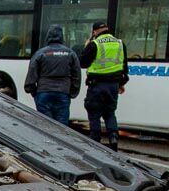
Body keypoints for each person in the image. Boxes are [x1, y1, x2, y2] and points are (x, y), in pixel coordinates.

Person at [79, 21, 128, 150]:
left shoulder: (94, 44)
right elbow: (124, 66)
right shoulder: (120, 43)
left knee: (94, 112)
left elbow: (83, 63)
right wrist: (121, 84)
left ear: (94, 32)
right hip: (113, 86)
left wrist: (86, 46)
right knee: (110, 112)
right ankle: (113, 137)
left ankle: (95, 140)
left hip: (97, 85)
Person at [23, 24, 81, 125]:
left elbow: (32, 73)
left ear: (48, 36)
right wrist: (72, 91)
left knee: (45, 125)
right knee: (62, 125)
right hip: (63, 92)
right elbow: (77, 74)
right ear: (61, 36)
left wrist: (33, 91)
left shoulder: (41, 53)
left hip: (44, 92)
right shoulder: (70, 53)